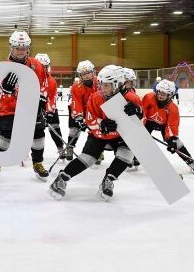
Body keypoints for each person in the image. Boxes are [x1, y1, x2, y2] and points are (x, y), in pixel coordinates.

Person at [49, 65, 141, 200]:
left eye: (107, 85)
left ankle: (108, 180)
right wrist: (101, 125)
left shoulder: (133, 99)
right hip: (99, 136)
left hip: (120, 136)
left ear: (118, 84)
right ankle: (61, 178)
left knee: (126, 154)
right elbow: (90, 120)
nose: (102, 88)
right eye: (101, 84)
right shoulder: (96, 97)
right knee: (88, 159)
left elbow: (141, 126)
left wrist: (139, 114)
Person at [0, 31, 48, 181]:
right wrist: (5, 90)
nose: (21, 51)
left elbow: (44, 84)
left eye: (24, 48)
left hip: (30, 107)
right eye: (17, 48)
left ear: (28, 48)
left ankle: (38, 163)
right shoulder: (3, 67)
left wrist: (42, 98)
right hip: (9, 108)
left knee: (38, 135)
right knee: (5, 137)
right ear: (11, 48)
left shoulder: (36, 64)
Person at [142, 79, 194, 173]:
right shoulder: (148, 97)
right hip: (148, 121)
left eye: (164, 94)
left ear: (170, 95)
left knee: (176, 143)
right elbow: (143, 113)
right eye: (159, 93)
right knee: (139, 138)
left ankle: (190, 161)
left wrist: (172, 139)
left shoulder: (173, 108)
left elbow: (171, 125)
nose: (160, 96)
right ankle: (134, 157)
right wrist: (141, 128)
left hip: (164, 125)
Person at [35, 53, 65, 160]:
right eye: (41, 66)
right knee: (32, 131)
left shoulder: (51, 81)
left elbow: (52, 98)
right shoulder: (31, 79)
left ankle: (60, 147)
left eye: (45, 66)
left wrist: (50, 111)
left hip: (48, 109)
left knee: (55, 127)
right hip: (34, 110)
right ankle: (25, 150)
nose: (43, 69)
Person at [66, 60, 97, 161]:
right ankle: (70, 147)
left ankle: (98, 151)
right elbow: (76, 102)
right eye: (84, 74)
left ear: (93, 72)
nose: (87, 75)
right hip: (80, 110)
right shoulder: (77, 86)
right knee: (74, 129)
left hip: (94, 110)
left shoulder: (100, 83)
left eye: (88, 72)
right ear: (80, 75)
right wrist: (79, 116)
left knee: (96, 130)